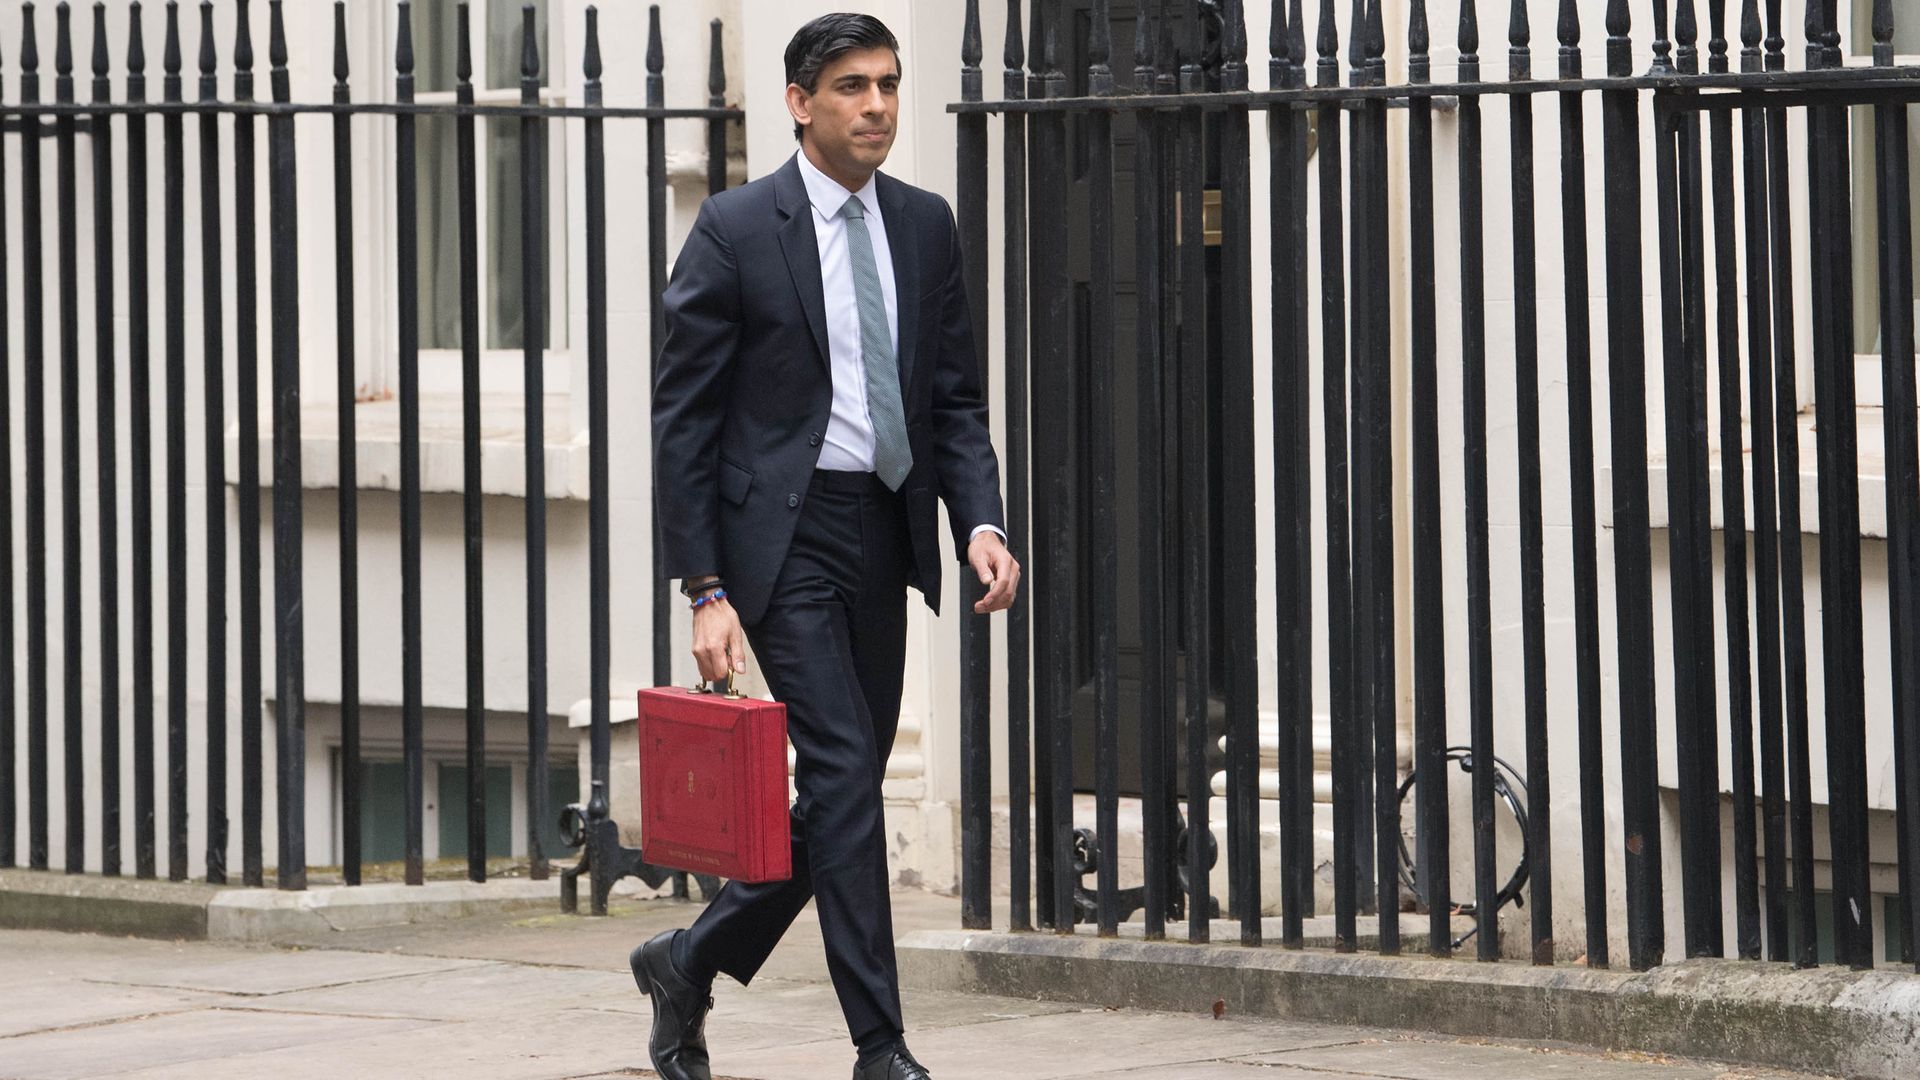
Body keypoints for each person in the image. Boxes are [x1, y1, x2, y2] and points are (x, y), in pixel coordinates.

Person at [635, 13, 1019, 1080]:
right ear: (802, 102)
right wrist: (703, 585)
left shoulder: (926, 227)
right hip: (781, 542)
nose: (879, 105)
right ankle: (881, 1045)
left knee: (837, 796)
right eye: (852, 86)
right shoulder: (735, 229)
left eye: (889, 84)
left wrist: (980, 522)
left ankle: (687, 959)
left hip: (882, 532)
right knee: (849, 769)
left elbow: (951, 401)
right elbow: (686, 422)